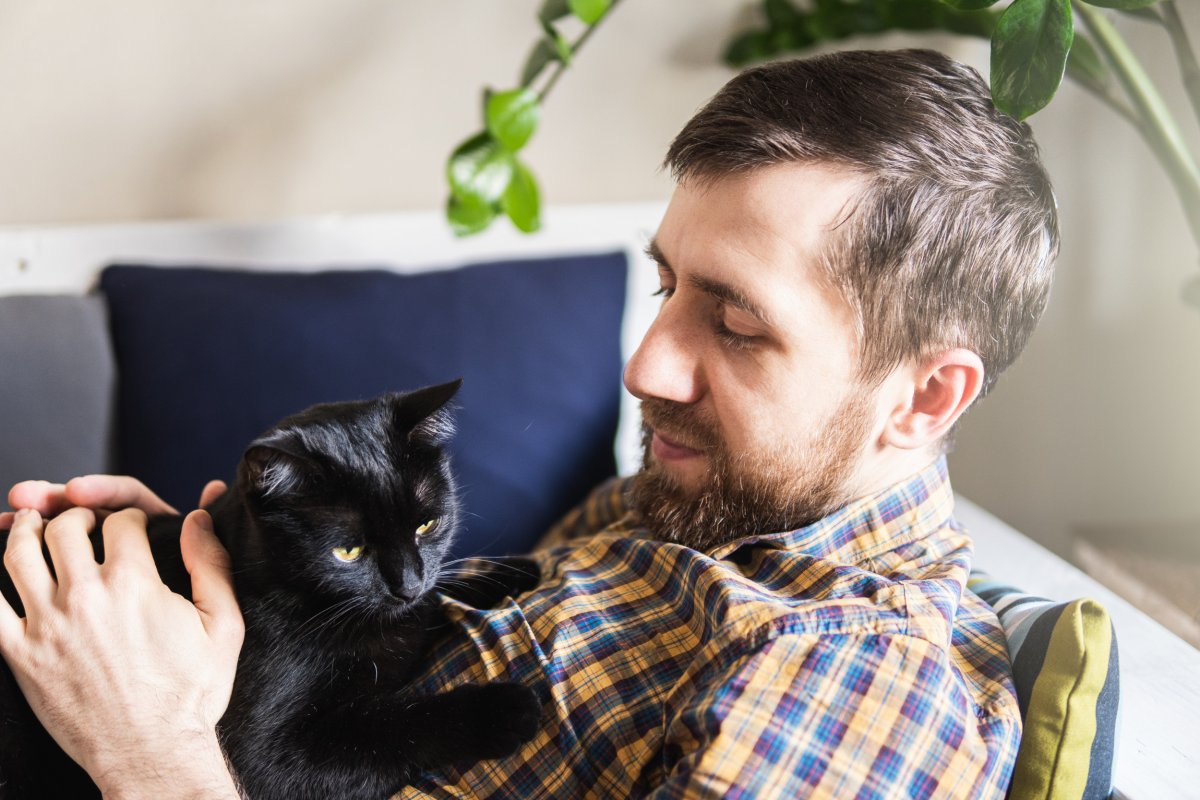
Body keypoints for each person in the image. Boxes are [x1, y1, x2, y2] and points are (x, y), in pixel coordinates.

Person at [0, 48, 1057, 798]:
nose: (646, 363)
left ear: (924, 397)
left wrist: (143, 748)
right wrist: (192, 580)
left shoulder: (856, 677)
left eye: (735, 324)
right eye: (667, 287)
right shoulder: (694, 500)